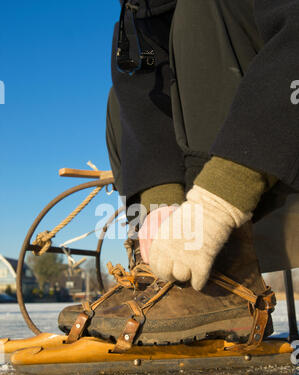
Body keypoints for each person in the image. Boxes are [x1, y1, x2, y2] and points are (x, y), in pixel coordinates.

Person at [58, 0, 299, 351]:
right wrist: (162, 209)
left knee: (200, 8)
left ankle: (227, 281)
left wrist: (218, 201)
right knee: (123, 94)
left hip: (278, 156)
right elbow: (143, 92)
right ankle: (171, 279)